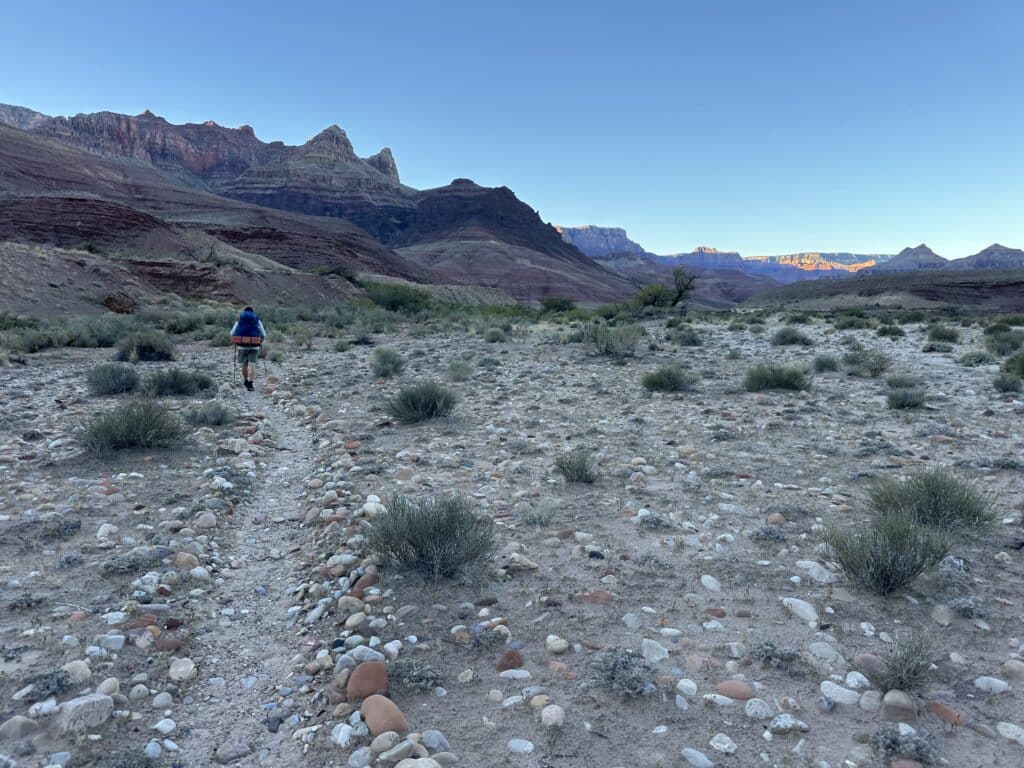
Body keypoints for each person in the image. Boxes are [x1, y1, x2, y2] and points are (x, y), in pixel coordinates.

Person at [230, 306, 267, 391]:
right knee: (252, 364)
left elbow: (232, 332)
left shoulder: (240, 319)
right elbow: (264, 334)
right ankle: (250, 384)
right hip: (254, 345)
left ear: (244, 312)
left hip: (242, 345)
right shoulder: (256, 320)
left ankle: (245, 380)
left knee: (244, 364)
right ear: (252, 312)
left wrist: (237, 339)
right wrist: (260, 340)